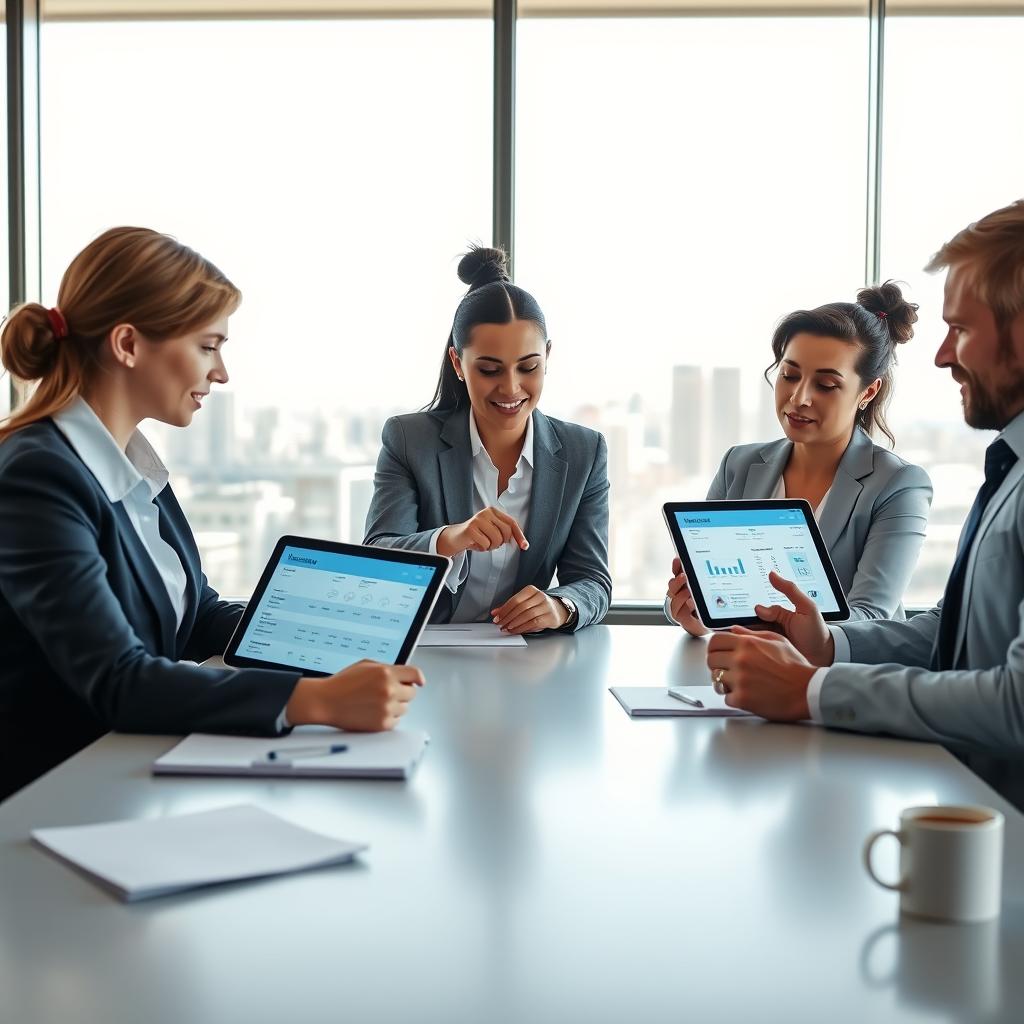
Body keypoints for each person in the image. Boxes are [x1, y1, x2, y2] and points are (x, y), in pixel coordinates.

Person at [0, 227, 422, 802]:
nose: (220, 373)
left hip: (131, 774)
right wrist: (316, 700)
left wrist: (329, 641)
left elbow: (193, 616)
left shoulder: (128, 465)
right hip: (57, 797)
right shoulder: (37, 475)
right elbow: (119, 680)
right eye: (208, 345)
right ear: (127, 344)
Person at [704, 200, 1024, 808]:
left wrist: (814, 689)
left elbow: (1016, 703)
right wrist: (825, 646)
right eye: (789, 374)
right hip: (966, 798)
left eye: (962, 328)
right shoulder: (1010, 467)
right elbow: (953, 632)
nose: (941, 355)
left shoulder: (905, 480)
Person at [364, 246, 611, 634]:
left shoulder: (585, 452)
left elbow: (593, 581)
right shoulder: (410, 440)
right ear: (458, 364)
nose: (511, 388)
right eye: (490, 369)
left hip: (525, 659)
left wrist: (560, 606)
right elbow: (377, 555)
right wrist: (451, 538)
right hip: (424, 650)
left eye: (528, 367)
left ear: (548, 357)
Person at [666, 282, 932, 633]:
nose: (799, 398)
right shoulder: (739, 465)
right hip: (747, 671)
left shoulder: (898, 484)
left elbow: (872, 619)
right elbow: (707, 595)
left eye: (825, 385)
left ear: (868, 391)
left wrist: (776, 626)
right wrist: (690, 611)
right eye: (790, 375)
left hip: (842, 680)